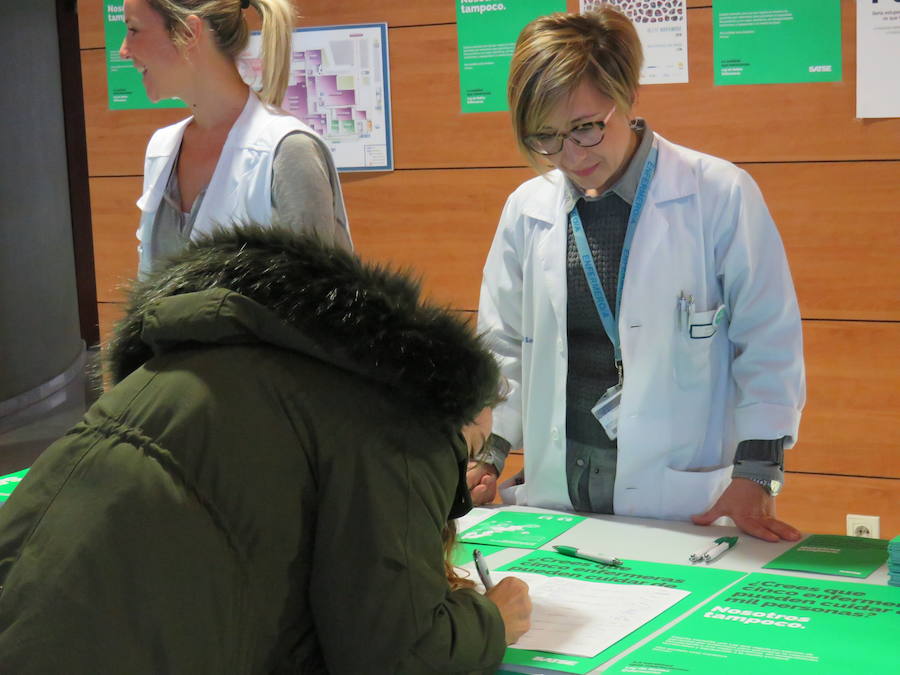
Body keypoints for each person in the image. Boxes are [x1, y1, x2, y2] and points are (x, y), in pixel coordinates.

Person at [0, 226, 531, 672]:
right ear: (446, 410)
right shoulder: (400, 418)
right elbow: (398, 653)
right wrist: (492, 621)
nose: (459, 479)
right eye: (473, 446)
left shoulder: (241, 359)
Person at [472, 7, 806, 542]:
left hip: (679, 504)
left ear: (624, 96)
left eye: (585, 128)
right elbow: (502, 345)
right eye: (546, 137)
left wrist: (757, 472)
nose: (570, 156)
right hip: (558, 495)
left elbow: (768, 339)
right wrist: (487, 455)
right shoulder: (527, 208)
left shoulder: (716, 194)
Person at [119, 0, 352, 279]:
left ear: (189, 32)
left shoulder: (289, 151)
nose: (123, 51)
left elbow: (315, 307)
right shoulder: (161, 149)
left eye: (133, 30)